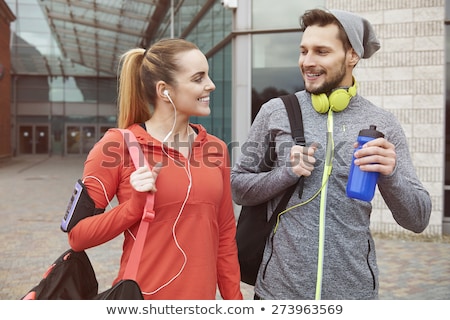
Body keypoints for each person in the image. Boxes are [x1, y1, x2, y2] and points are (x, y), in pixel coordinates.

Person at [230, 9, 432, 300]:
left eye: (321, 51)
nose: (307, 61)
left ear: (352, 55)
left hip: (353, 295)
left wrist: (391, 175)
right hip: (279, 293)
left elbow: (418, 219)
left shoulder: (383, 124)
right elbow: (238, 187)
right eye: (304, 51)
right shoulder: (275, 111)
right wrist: (284, 174)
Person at [68, 38, 243, 300]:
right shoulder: (117, 146)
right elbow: (78, 237)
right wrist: (133, 208)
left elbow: (226, 237)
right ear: (164, 91)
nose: (211, 85)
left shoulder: (216, 150)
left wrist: (234, 304)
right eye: (198, 78)